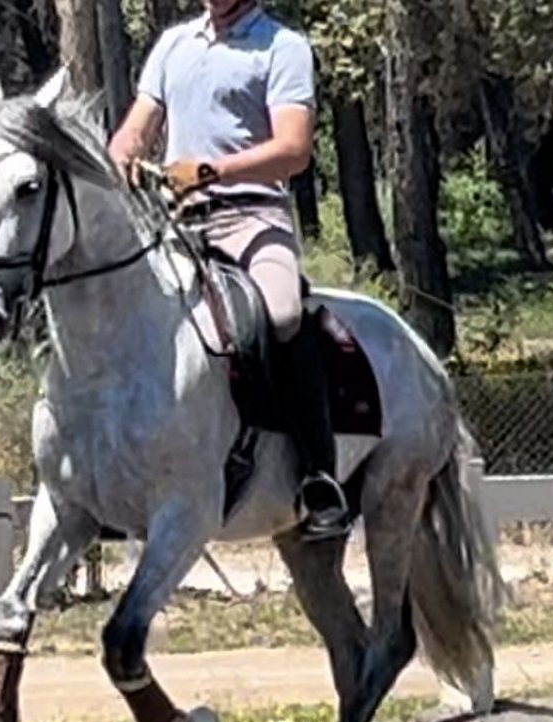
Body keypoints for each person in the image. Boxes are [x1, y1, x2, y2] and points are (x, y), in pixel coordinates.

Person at [107, 0, 350, 541]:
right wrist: (122, 151)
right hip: (174, 221)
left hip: (250, 215)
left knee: (284, 314)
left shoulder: (282, 47)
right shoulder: (174, 44)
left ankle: (317, 474)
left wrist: (214, 171)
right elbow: (137, 127)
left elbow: (293, 150)